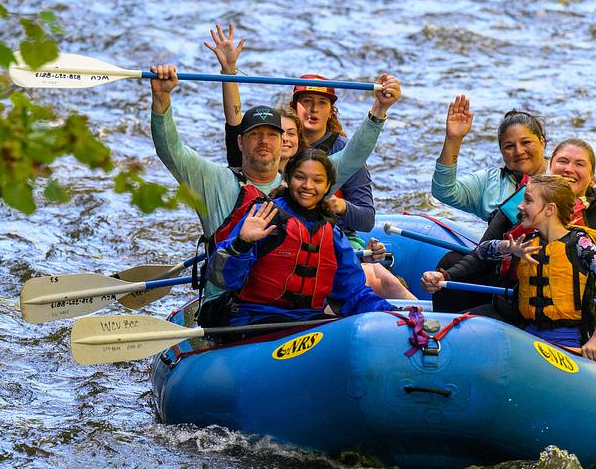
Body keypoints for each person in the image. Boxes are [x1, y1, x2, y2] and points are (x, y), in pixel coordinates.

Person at [148, 51, 402, 320]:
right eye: (255, 135)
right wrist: (162, 98)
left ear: (284, 143)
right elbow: (170, 150)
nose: (264, 141)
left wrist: (379, 110)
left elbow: (353, 156)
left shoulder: (302, 186)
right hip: (234, 308)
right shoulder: (214, 180)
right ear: (240, 143)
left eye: (272, 135)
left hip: (296, 313)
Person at [206, 23, 414, 300]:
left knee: (375, 277)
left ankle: (422, 323)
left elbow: (357, 159)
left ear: (332, 111)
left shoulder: (334, 158)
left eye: (321, 103)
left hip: (327, 242)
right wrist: (229, 72)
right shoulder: (262, 157)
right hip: (271, 252)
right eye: (306, 101)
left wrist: (379, 109)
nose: (313, 109)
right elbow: (234, 125)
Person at [423, 138, 596, 302]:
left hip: (569, 309)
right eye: (563, 161)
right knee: (450, 262)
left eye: (579, 164)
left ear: (592, 175)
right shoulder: (521, 204)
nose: (569, 169)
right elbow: (483, 253)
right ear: (550, 166)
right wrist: (446, 276)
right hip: (514, 295)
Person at [206, 150, 395, 326]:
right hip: (253, 319)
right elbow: (222, 279)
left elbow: (354, 294)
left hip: (305, 323)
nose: (307, 186)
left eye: (317, 180)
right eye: (300, 177)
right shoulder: (265, 215)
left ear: (328, 185)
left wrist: (393, 314)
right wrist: (242, 243)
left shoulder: (331, 231)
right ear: (288, 178)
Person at [464, 175, 596, 361]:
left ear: (550, 209)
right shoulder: (526, 242)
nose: (520, 206)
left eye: (528, 200)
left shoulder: (580, 245)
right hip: (526, 337)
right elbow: (482, 251)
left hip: (568, 341)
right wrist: (508, 248)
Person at [427, 97, 549, 311]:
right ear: (502, 152)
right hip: (499, 269)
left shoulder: (560, 179)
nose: (519, 151)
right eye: (509, 146)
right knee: (450, 261)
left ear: (542, 141)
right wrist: (453, 139)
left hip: (543, 275)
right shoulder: (492, 181)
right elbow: (443, 190)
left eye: (526, 142)